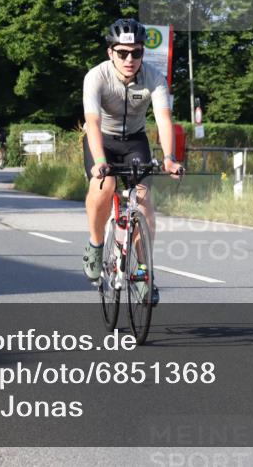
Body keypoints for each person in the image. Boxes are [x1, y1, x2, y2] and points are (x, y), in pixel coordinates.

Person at [81, 19, 183, 305]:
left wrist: (169, 158)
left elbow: (163, 118)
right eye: (123, 52)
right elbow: (92, 120)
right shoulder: (96, 77)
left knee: (143, 198)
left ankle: (141, 273)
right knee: (105, 184)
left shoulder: (153, 77)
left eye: (136, 53)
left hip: (135, 140)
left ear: (142, 53)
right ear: (110, 52)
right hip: (102, 139)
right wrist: (100, 160)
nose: (129, 59)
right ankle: (95, 244)